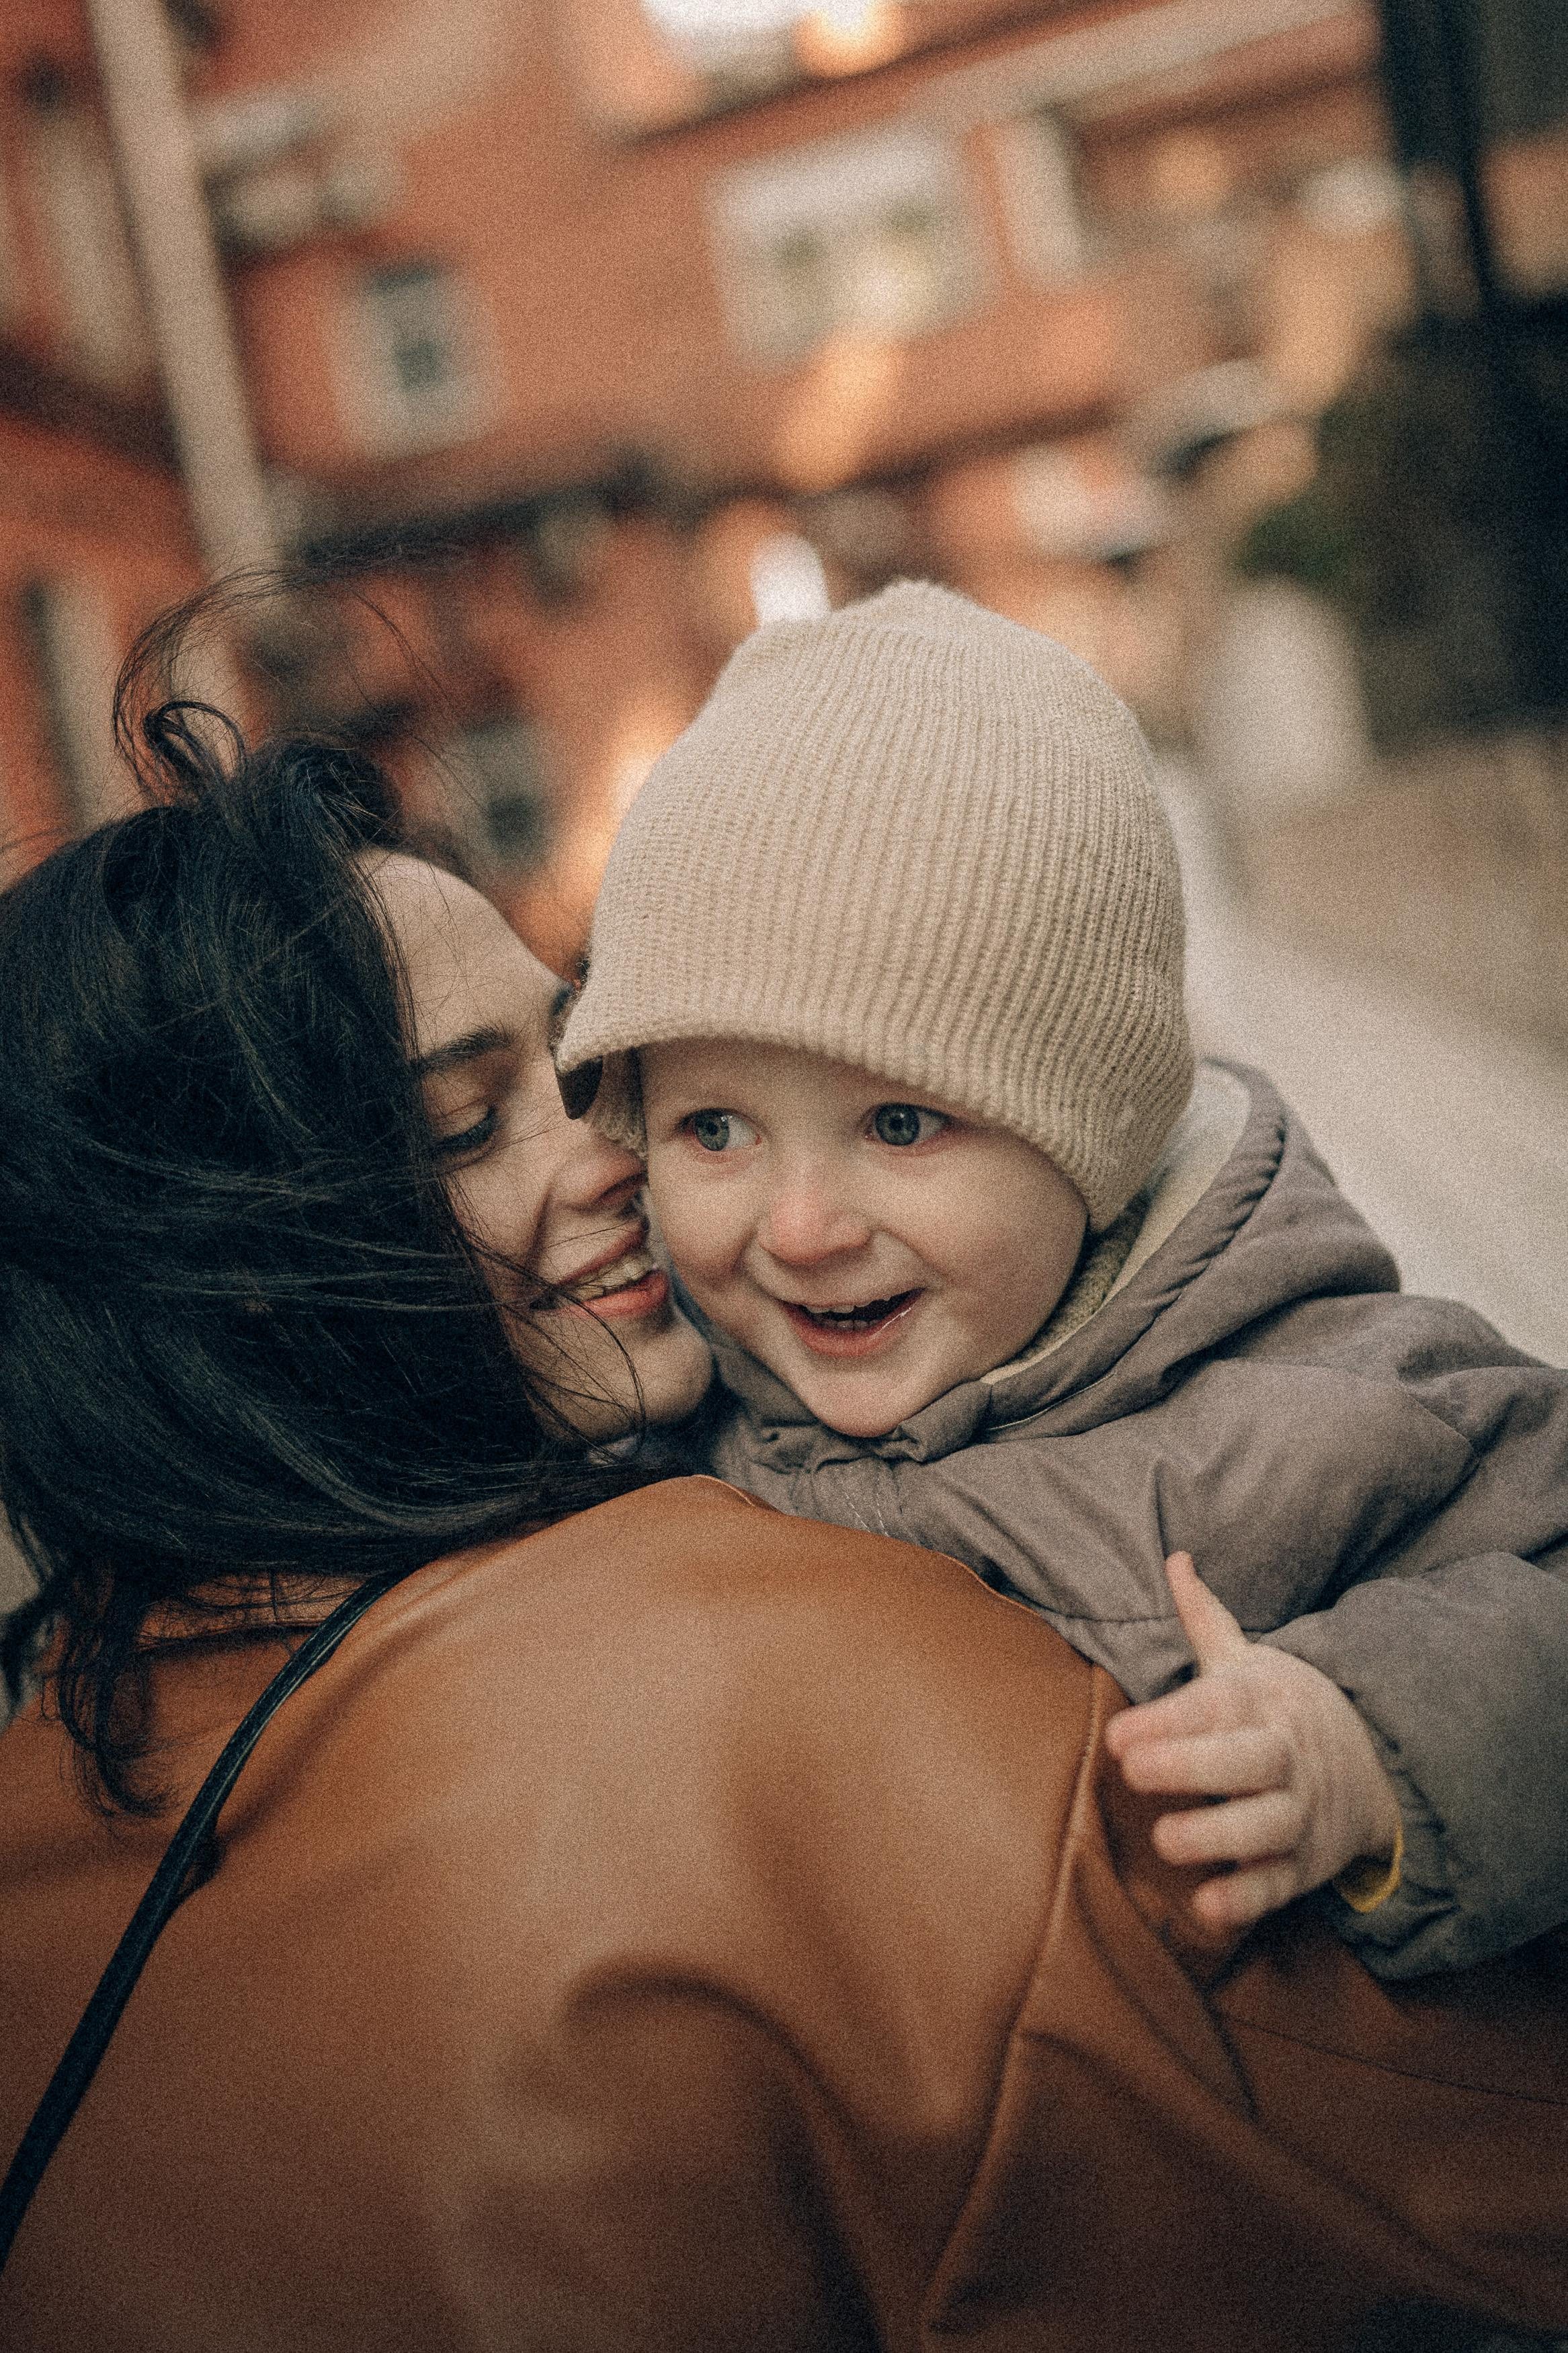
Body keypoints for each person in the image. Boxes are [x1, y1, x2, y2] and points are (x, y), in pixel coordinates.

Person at [1, 655, 1566, 2351]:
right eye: (471, 1123)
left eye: (593, 1061)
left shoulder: (75, 1741)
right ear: (232, 1276)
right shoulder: (774, 1691)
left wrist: (1381, 1747)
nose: (619, 1153)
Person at [556, 579, 1568, 1984]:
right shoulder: (691, 1428)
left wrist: (1365, 1741)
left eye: (900, 1123)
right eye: (712, 1128)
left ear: (1090, 1132)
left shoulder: (1313, 1401)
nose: (796, 1225)